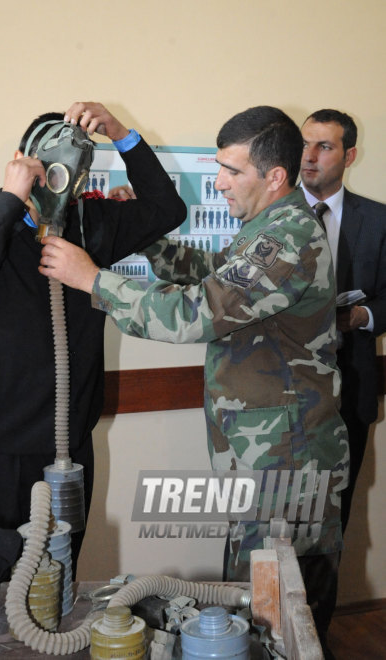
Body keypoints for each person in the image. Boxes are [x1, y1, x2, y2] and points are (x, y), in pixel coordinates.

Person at [38, 106, 348, 656]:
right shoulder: (265, 230)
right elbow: (212, 275)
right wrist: (150, 240)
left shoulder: (289, 237)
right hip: (261, 455)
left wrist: (93, 280)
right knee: (259, 589)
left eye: (231, 171)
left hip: (288, 459)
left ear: (274, 176)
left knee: (278, 607)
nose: (220, 183)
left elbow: (198, 313)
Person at [0, 101, 186, 574]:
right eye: (48, 162)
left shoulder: (91, 224)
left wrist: (122, 133)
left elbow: (168, 208)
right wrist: (9, 199)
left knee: (57, 577)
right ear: (23, 159)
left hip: (67, 446)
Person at [300, 109, 386, 533]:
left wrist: (360, 315)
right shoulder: (269, 216)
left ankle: (320, 603)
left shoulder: (379, 219)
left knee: (334, 522)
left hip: (350, 391)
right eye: (304, 144)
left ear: (349, 155)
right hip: (283, 397)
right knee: (273, 522)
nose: (309, 156)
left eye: (325, 146)